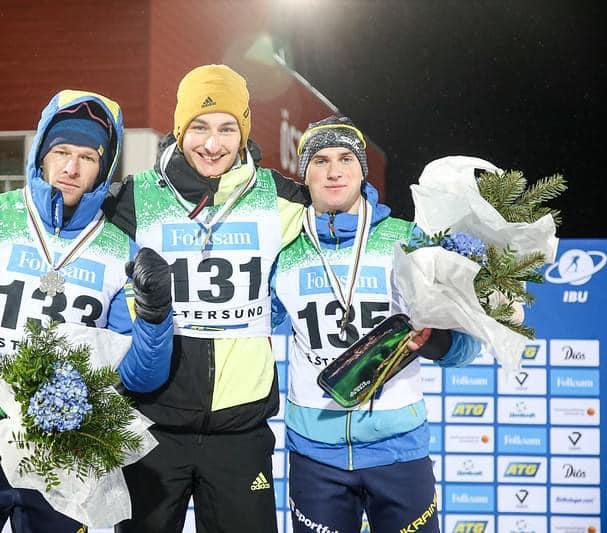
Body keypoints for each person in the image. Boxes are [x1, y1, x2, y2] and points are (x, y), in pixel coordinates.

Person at [0, 90, 174, 533]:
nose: (71, 168)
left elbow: (139, 376)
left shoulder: (121, 251)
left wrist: (155, 316)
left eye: (87, 157)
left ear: (104, 168)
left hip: (63, 454)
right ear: (41, 154)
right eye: (61, 152)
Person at [104, 64, 309, 533]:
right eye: (199, 127)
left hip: (240, 434)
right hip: (152, 425)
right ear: (180, 129)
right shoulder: (137, 196)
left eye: (226, 129)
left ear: (244, 132)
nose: (212, 144)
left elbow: (346, 208)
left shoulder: (279, 197)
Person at [270, 115, 481, 533]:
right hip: (315, 456)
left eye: (346, 158)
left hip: (398, 451)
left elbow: (467, 346)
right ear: (304, 174)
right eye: (320, 161)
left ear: (362, 169)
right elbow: (250, 324)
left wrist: (435, 341)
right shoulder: (285, 250)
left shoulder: (408, 239)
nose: (334, 171)